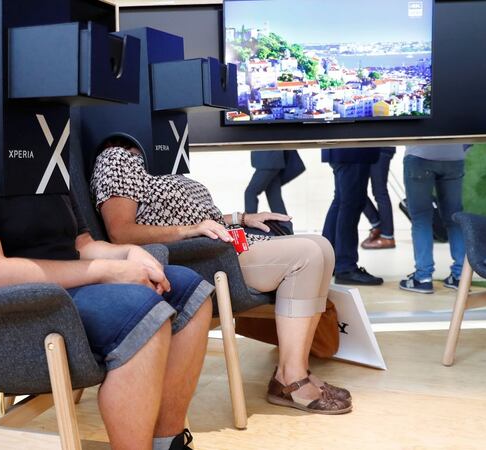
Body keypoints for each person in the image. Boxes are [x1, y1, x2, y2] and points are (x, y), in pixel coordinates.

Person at [0, 134, 213, 450]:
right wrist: (107, 270)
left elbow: (82, 245)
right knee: (141, 309)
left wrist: (127, 253)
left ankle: (167, 444)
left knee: (187, 290)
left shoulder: (45, 151)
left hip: (58, 292)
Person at [90, 139, 353, 416]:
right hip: (201, 259)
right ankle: (290, 378)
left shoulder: (159, 157)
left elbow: (200, 217)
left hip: (223, 247)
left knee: (322, 246)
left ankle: (296, 369)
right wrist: (189, 230)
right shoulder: (117, 158)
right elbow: (121, 232)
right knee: (307, 255)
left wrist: (242, 217)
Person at [399, 144, 467, 294]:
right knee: (454, 218)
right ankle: (460, 276)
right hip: (454, 156)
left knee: (421, 219)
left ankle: (423, 278)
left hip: (420, 155)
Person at [322, 147, 388, 285]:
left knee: (341, 201)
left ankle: (328, 261)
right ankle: (345, 267)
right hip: (353, 150)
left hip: (342, 150)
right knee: (351, 203)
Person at [244, 150, 305, 229]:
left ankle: (250, 227)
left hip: (268, 160)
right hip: (273, 160)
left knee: (250, 193)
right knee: (274, 197)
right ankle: (286, 229)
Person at [360, 148, 396, 250]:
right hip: (365, 148)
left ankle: (387, 236)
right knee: (355, 189)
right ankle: (378, 224)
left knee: (379, 191)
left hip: (380, 147)